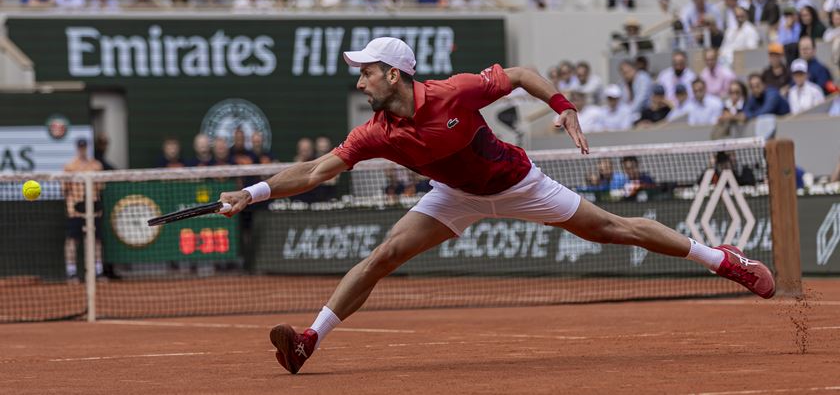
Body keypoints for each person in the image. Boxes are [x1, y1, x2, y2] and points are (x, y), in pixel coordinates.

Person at [218, 37, 775, 374]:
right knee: (383, 255)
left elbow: (522, 75)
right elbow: (315, 171)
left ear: (393, 74)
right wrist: (253, 192)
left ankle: (725, 260)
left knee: (610, 228)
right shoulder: (376, 133)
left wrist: (564, 107)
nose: (360, 80)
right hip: (452, 197)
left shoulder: (454, 91)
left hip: (516, 182)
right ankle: (308, 343)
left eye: (365, 71)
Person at [63, 138, 105, 281]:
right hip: (75, 210)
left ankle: (98, 271)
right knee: (72, 240)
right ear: (77, 148)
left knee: (95, 240)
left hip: (93, 209)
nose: (82, 150)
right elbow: (65, 189)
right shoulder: (69, 166)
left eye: (84, 147)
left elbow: (100, 187)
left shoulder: (96, 165)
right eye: (80, 147)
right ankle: (71, 272)